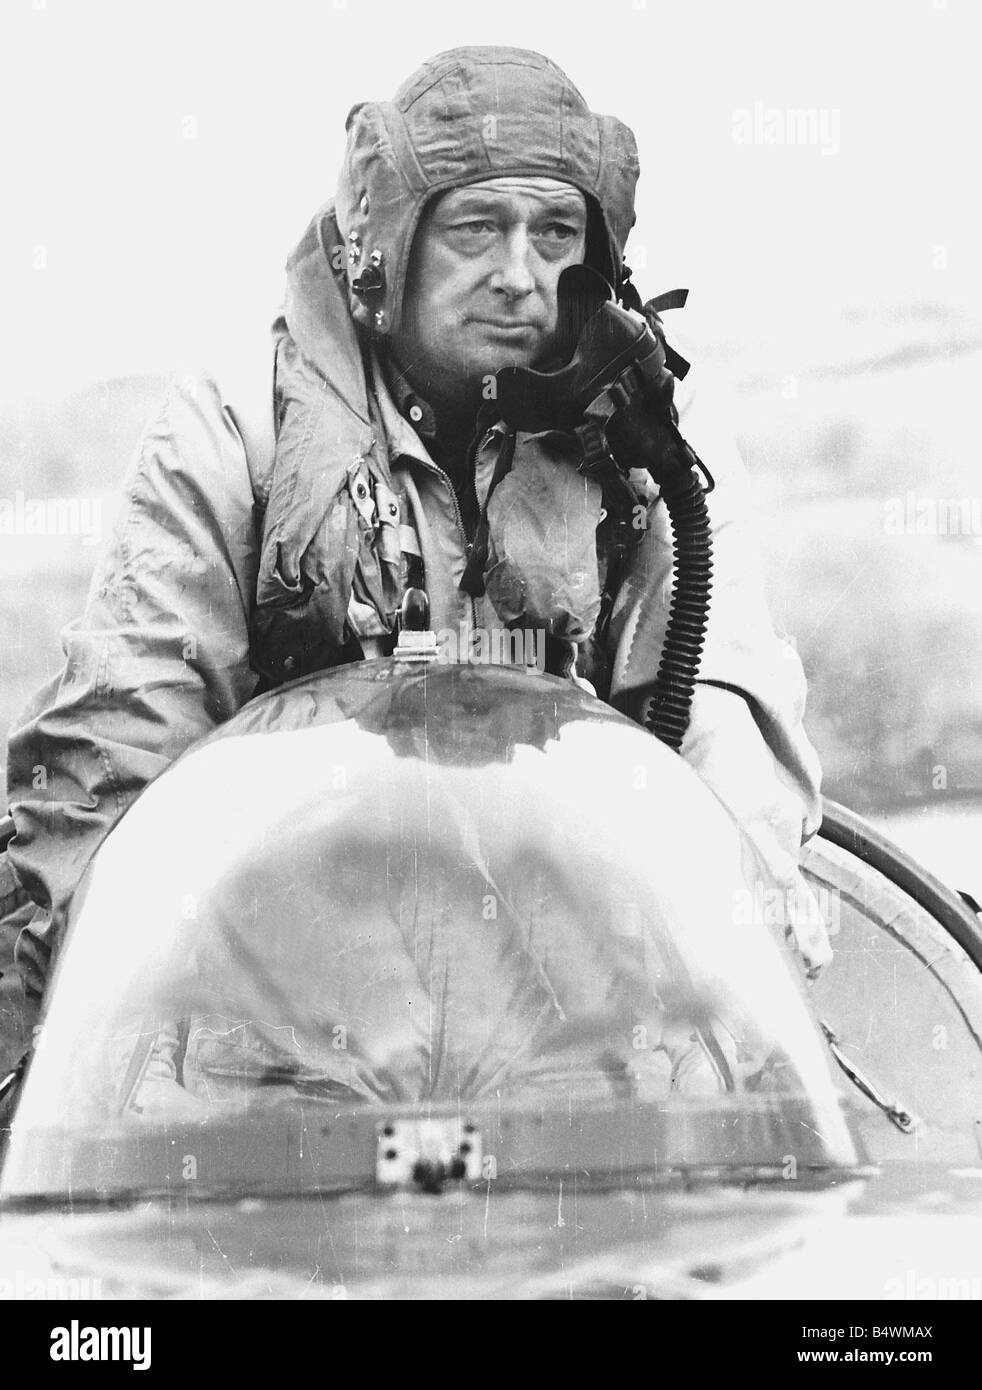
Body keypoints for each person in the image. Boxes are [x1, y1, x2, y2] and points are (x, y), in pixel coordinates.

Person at [0, 46, 827, 1093]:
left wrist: (730, 988)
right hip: (271, 1008)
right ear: (390, 245)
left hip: (580, 998)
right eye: (477, 227)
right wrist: (109, 1037)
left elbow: (725, 713)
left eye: (556, 233)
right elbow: (122, 742)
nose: (520, 274)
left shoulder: (654, 433)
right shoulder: (239, 424)